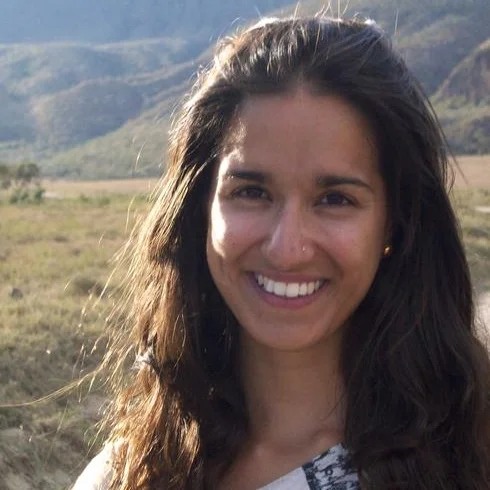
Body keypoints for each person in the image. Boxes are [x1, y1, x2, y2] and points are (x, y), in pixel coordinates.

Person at [73, 15, 490, 490]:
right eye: (252, 192)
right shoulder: (129, 471)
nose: (287, 249)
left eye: (335, 199)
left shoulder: (470, 457)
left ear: (394, 222)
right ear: (200, 209)